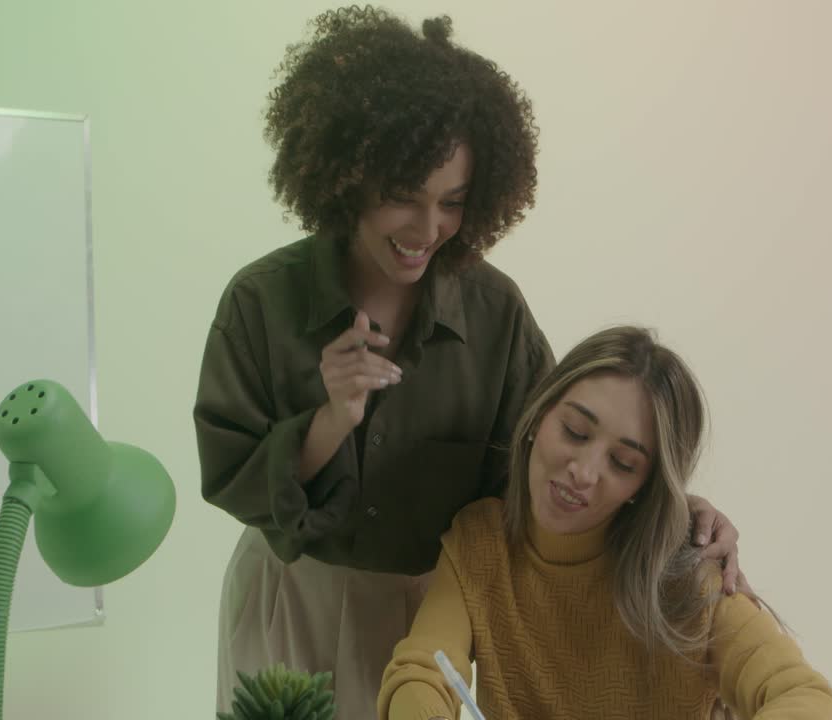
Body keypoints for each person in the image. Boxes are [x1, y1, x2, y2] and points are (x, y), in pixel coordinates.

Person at [194, 8, 744, 719]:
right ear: (348, 174)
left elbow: (554, 459)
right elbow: (231, 474)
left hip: (435, 615)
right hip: (289, 600)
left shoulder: (495, 315)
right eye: (403, 198)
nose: (428, 231)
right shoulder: (260, 302)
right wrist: (329, 421)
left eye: (451, 203)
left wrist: (679, 513)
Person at [378, 326, 832, 719]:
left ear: (644, 484)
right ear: (540, 413)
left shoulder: (689, 576)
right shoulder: (479, 544)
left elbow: (804, 696)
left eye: (622, 463)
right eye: (575, 432)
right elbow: (420, 673)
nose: (584, 472)